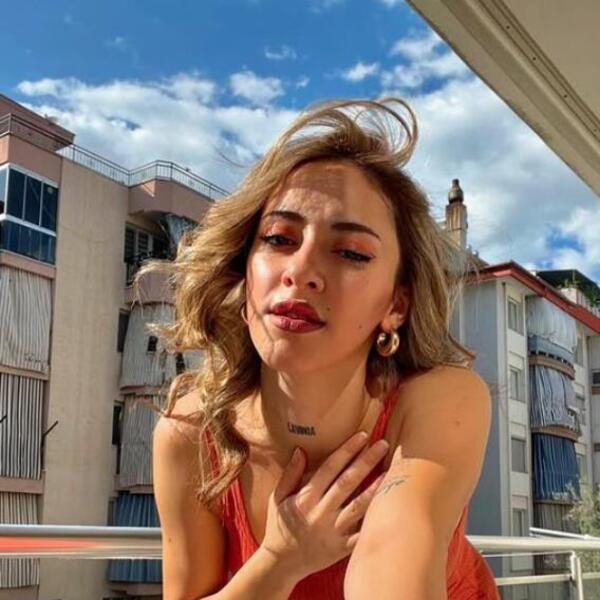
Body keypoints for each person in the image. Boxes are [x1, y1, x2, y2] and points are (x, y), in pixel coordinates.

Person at [146, 97, 499, 599]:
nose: (300, 271)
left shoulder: (441, 400)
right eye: (278, 239)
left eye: (351, 252)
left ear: (396, 306)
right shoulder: (189, 434)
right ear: (244, 276)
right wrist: (281, 559)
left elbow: (394, 557)